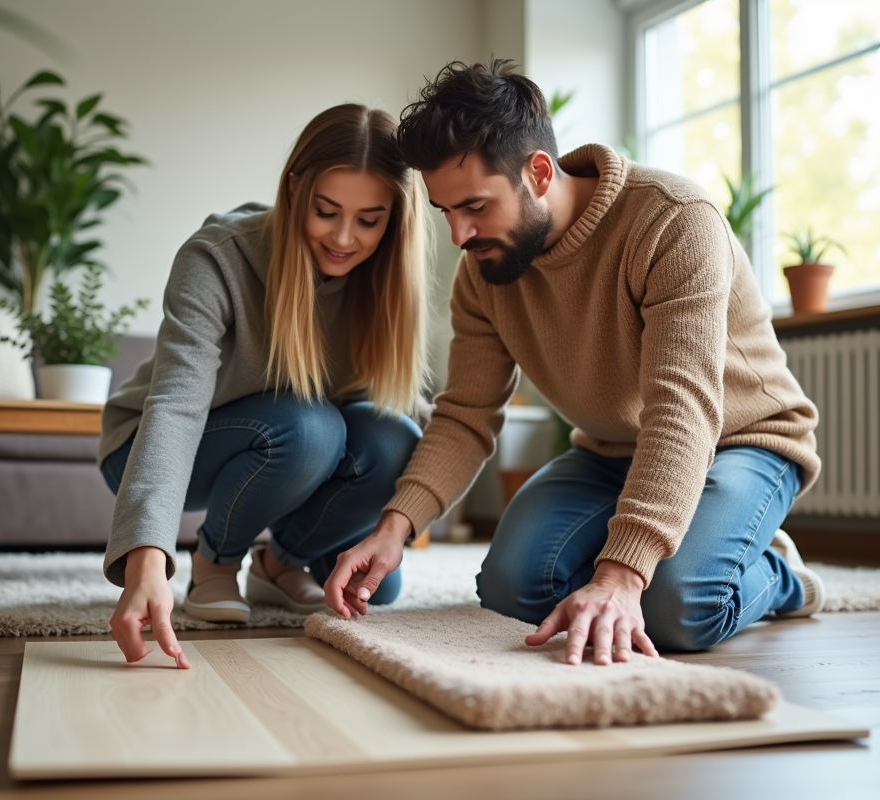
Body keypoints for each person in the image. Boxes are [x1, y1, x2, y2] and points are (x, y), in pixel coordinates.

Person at [324, 60, 825, 666]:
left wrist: (621, 574)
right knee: (511, 591)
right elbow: (465, 414)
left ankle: (777, 570)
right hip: (611, 451)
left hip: (740, 440)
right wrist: (393, 529)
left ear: (537, 172)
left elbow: (681, 409)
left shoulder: (672, 220)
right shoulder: (484, 272)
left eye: (476, 206)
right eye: (446, 211)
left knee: (675, 607)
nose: (459, 234)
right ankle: (692, 543)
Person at [101, 104, 430, 668]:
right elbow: (176, 405)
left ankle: (279, 564)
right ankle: (217, 563)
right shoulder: (218, 257)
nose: (345, 239)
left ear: (394, 220)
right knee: (311, 427)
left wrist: (397, 523)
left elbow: (402, 417)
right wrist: (145, 558)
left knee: (397, 441)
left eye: (369, 220)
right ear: (295, 187)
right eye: (326, 212)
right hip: (157, 445)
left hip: (290, 445)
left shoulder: (383, 282)